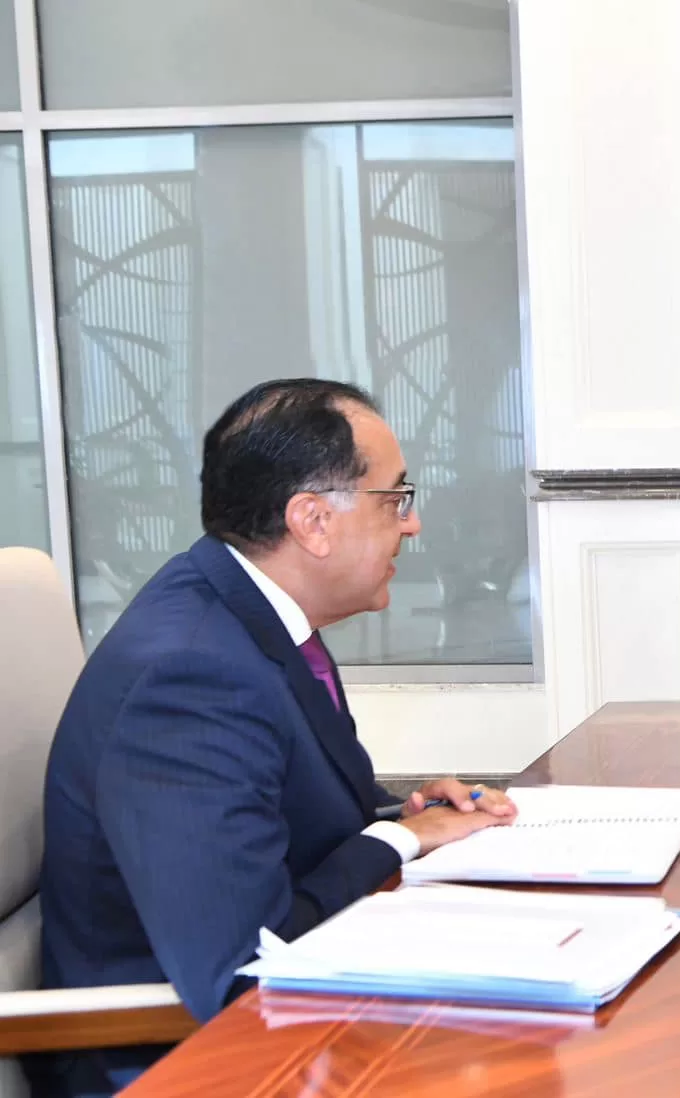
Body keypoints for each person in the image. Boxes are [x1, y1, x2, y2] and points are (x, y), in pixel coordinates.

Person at [29, 379, 518, 1097]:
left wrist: (408, 817)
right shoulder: (189, 677)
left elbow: (280, 809)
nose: (411, 524)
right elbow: (242, 968)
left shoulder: (247, 611)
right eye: (396, 499)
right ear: (312, 521)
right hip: (179, 1061)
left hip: (292, 1015)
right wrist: (400, 840)